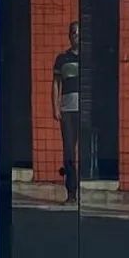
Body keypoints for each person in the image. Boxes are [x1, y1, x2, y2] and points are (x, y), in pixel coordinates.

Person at [51, 21, 80, 204]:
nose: (76, 35)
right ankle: (71, 192)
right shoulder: (62, 59)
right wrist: (55, 106)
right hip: (68, 110)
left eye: (79, 33)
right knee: (69, 151)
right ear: (69, 36)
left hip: (84, 112)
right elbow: (56, 84)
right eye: (73, 33)